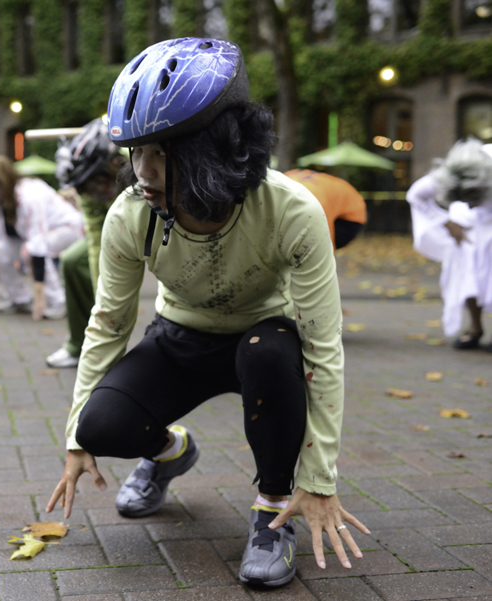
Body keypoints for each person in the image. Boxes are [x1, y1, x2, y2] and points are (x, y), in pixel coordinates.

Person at [46, 38, 369, 588]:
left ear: (218, 148)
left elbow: (323, 348)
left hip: (266, 342)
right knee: (101, 425)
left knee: (268, 353)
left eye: (163, 153)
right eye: (136, 152)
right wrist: (78, 438)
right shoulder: (131, 214)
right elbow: (108, 324)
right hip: (181, 339)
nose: (142, 172)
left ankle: (272, 512)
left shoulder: (291, 209)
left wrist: (317, 479)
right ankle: (171, 453)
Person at [46, 118, 126, 368]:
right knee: (72, 261)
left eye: (97, 185)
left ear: (115, 166)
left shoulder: (138, 164)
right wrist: (102, 297)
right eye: (84, 189)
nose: (93, 194)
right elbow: (96, 243)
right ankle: (78, 345)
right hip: (115, 230)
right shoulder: (85, 186)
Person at [406, 137, 492, 350]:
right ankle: (475, 328)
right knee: (468, 276)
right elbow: (415, 195)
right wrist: (446, 222)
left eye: (473, 199)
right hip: (466, 228)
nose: (471, 205)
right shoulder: (447, 175)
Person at [0, 156, 84, 320]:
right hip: (26, 237)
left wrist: (39, 291)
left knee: (29, 253)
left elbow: (37, 244)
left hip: (65, 228)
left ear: (4, 182)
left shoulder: (30, 196)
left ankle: (58, 302)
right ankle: (20, 299)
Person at [284, 169, 367, 250]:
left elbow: (323, 236)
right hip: (321, 194)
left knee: (312, 246)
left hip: (350, 215)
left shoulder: (313, 202)